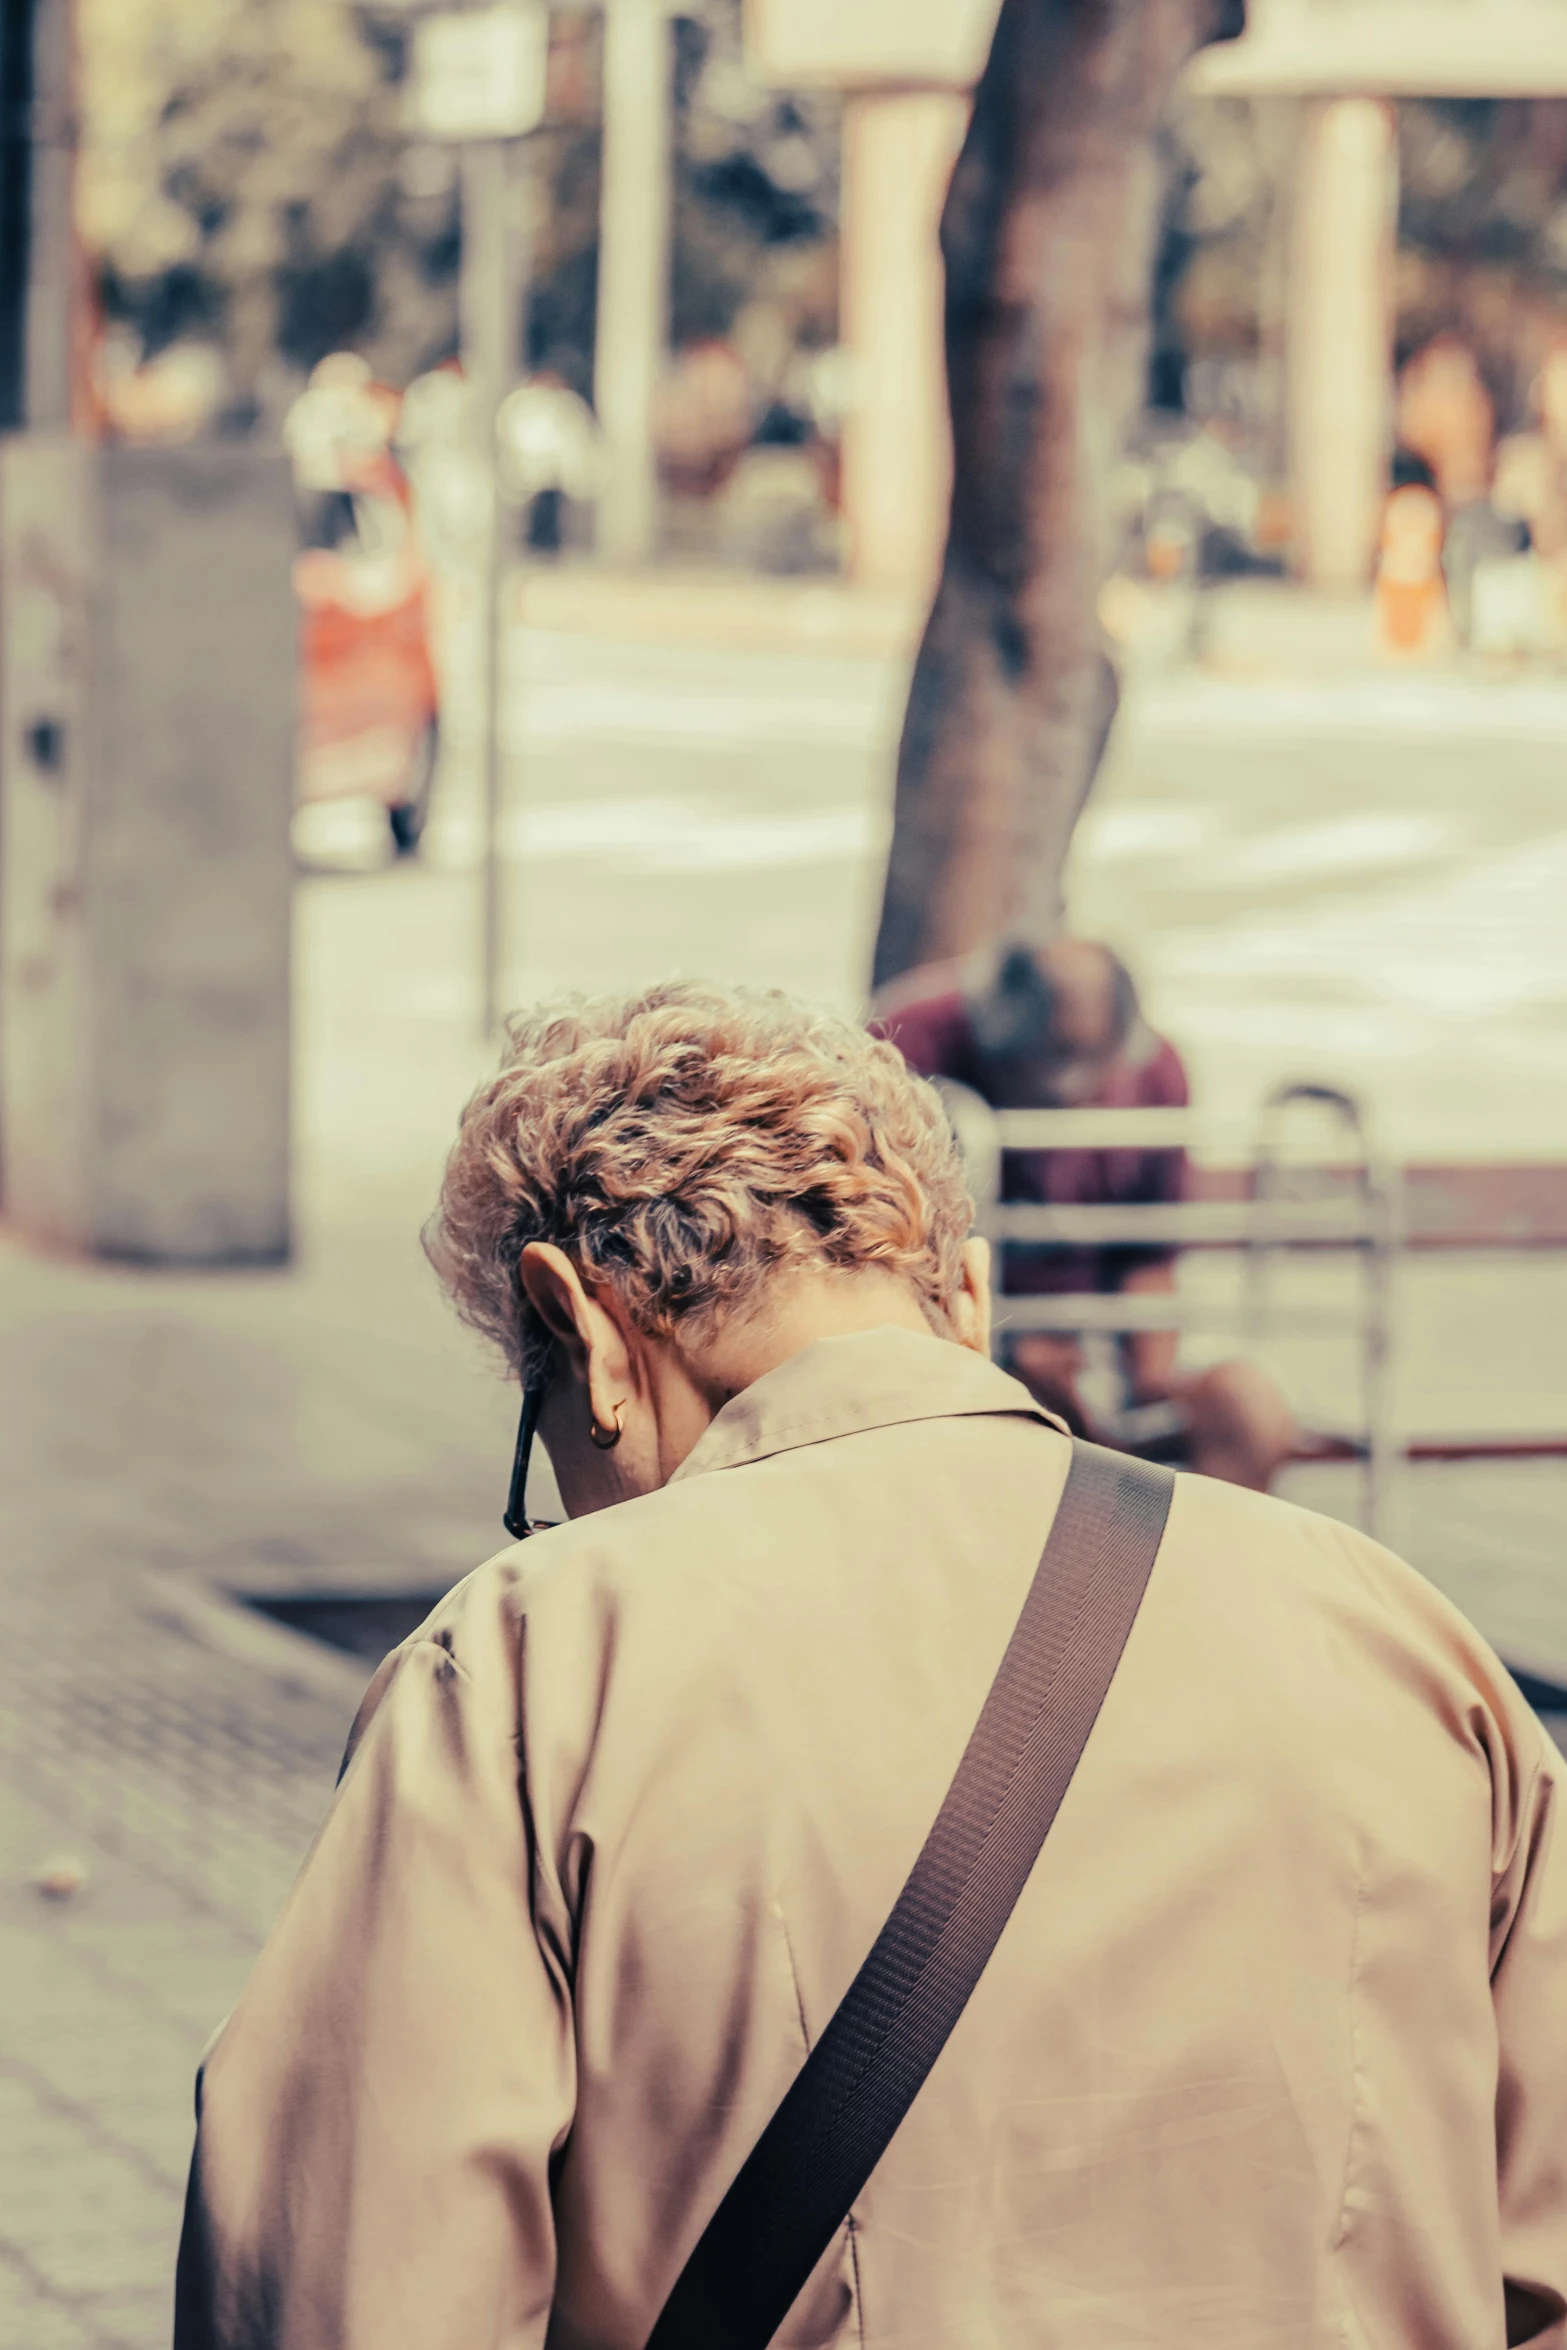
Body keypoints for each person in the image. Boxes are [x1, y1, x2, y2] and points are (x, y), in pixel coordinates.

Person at [175, 982, 1567, 2350]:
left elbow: (347, 2293)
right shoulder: (1397, 1637)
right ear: (963, 1297)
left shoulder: (532, 1666)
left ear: (583, 1329)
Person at [876, 937, 1295, 1490]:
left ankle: (1192, 1569)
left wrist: (1143, 1381)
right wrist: (1002, 1343)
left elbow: (1149, 1254)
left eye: (1091, 1069)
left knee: (1248, 1406)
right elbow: (879, 1258)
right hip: (954, 1335)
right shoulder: (905, 1048)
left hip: (1096, 1336)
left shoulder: (1154, 1070)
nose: (1074, 1091)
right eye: (1050, 1067)